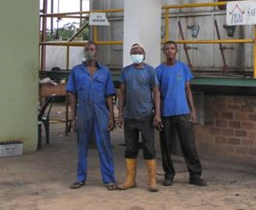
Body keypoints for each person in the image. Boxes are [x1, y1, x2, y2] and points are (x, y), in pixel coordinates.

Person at [66, 41, 117, 190]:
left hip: (100, 111)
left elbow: (109, 95)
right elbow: (72, 96)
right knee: (82, 146)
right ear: (84, 52)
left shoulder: (105, 71)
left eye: (92, 49)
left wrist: (111, 117)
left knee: (104, 145)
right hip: (83, 111)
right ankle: (80, 178)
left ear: (97, 52)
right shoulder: (76, 71)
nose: (89, 51)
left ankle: (109, 179)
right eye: (87, 49)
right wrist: (73, 118)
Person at [156, 40, 206, 187]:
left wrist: (193, 110)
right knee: (166, 146)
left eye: (172, 48)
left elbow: (187, 90)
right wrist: (157, 113)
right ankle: (169, 175)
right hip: (166, 113)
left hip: (182, 112)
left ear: (176, 51)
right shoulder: (159, 70)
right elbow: (157, 93)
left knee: (189, 145)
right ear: (164, 52)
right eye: (167, 49)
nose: (170, 51)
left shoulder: (183, 68)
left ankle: (195, 175)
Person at [117, 43, 162, 192]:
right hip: (130, 116)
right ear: (130, 54)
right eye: (134, 52)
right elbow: (122, 93)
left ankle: (152, 180)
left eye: (139, 52)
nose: (137, 54)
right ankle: (130, 180)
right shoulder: (125, 71)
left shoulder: (150, 71)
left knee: (149, 148)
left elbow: (156, 92)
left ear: (144, 54)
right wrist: (120, 114)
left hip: (146, 116)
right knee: (130, 148)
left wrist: (157, 114)